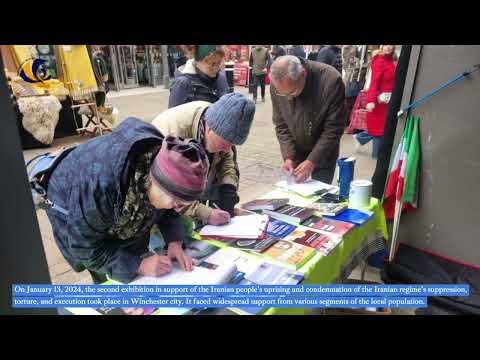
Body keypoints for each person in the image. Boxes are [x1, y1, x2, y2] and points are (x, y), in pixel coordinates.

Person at [42, 118, 210, 284]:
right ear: (153, 183)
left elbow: (169, 209)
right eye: (177, 204)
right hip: (68, 199)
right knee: (103, 265)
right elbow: (85, 247)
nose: (178, 209)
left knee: (134, 246)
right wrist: (138, 265)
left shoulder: (163, 165)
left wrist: (174, 241)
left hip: (113, 195)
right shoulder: (100, 185)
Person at [152, 92, 255, 226]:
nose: (226, 149)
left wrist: (227, 188)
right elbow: (169, 194)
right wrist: (205, 213)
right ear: (210, 129)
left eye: (231, 145)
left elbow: (226, 159)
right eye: (224, 144)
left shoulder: (219, 122)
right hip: (160, 206)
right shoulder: (172, 135)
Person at [269, 55, 346, 184]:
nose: (288, 98)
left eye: (292, 92)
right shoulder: (277, 85)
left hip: (322, 156)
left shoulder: (331, 81)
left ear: (303, 74)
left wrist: (312, 161)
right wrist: (288, 156)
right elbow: (281, 124)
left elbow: (334, 129)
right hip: (296, 155)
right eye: (283, 94)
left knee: (316, 200)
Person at [353, 45, 397, 159]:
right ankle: (377, 156)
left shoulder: (391, 60)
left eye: (391, 45)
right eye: (386, 45)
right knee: (378, 130)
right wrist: (371, 100)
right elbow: (374, 82)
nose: (388, 47)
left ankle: (360, 139)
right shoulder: (379, 60)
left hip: (387, 100)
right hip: (378, 101)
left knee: (382, 128)